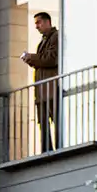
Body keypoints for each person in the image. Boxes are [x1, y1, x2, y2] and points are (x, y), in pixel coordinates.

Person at [20, 10, 61, 153]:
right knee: (43, 122)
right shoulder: (43, 41)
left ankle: (59, 147)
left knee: (55, 119)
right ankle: (46, 150)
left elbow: (51, 59)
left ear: (47, 22)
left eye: (39, 22)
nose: (36, 26)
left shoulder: (55, 36)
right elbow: (43, 61)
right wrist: (31, 60)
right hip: (43, 89)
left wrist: (31, 58)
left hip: (51, 87)